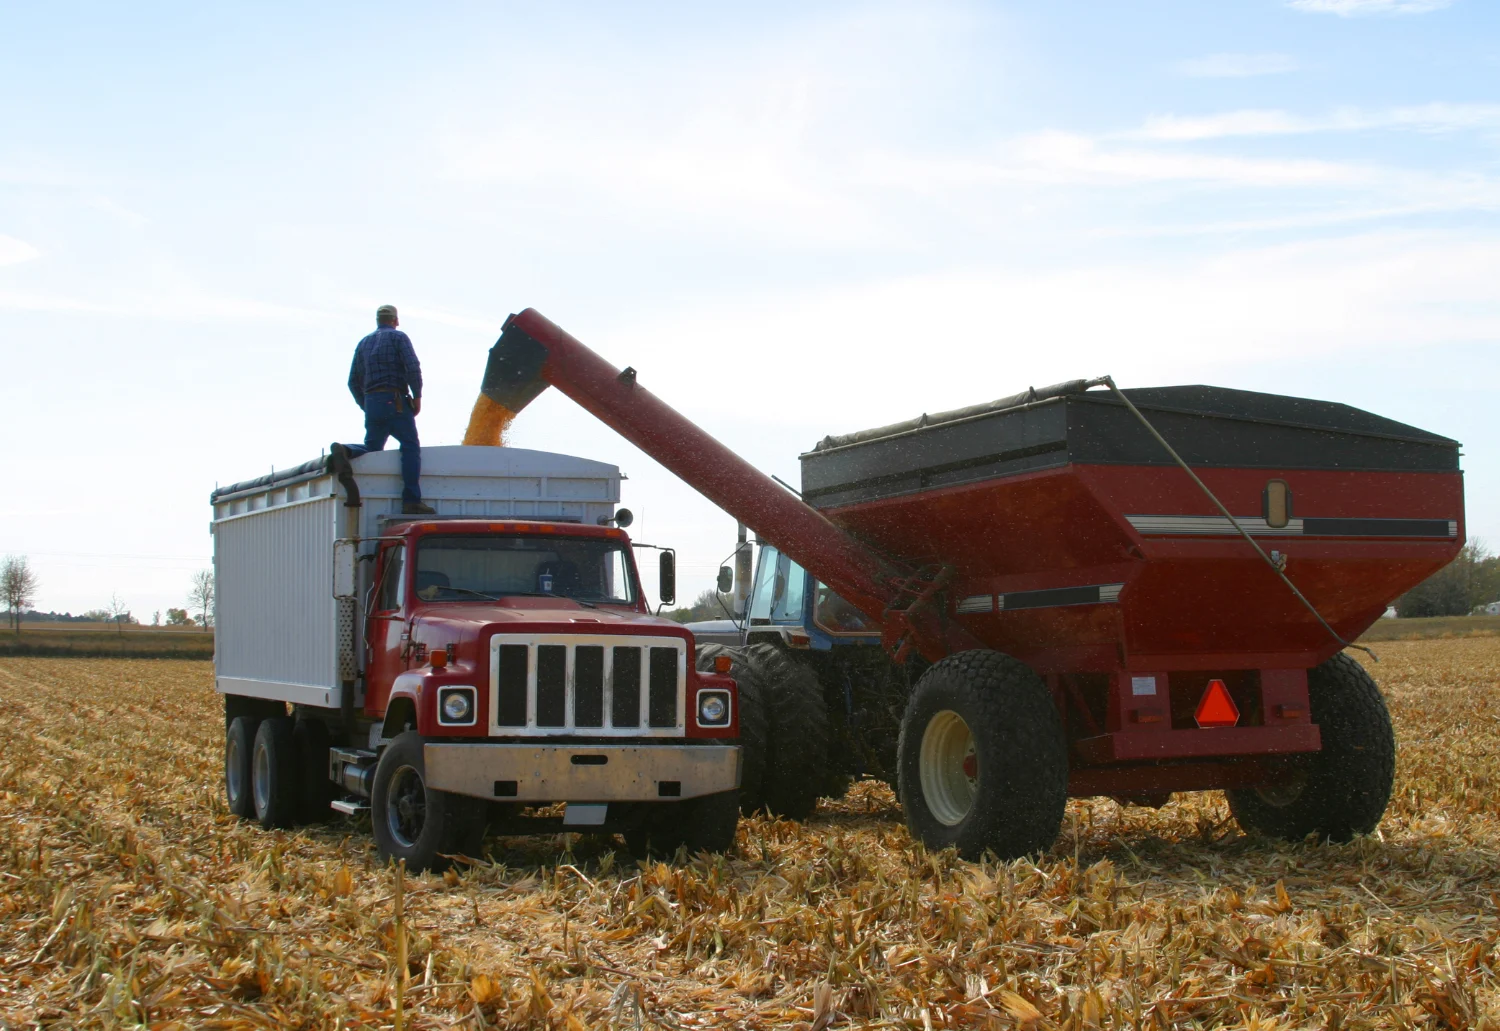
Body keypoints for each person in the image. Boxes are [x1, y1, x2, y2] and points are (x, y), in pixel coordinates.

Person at [330, 304, 435, 515]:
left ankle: (346, 450)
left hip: (372, 401)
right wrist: (417, 397)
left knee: (373, 447)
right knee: (410, 446)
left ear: (378, 320)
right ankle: (411, 500)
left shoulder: (363, 343)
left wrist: (366, 405)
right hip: (395, 399)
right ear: (396, 320)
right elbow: (412, 367)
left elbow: (352, 381)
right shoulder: (399, 337)